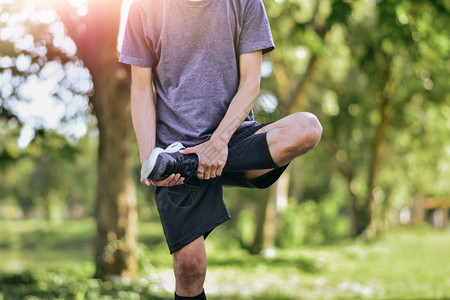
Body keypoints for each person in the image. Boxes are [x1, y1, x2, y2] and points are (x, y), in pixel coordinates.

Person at [119, 0, 322, 298]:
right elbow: (140, 89)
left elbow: (251, 81)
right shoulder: (144, 8)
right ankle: (186, 163)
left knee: (308, 128)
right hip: (176, 151)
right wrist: (151, 161)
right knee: (190, 269)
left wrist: (217, 144)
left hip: (232, 139)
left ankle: (194, 164)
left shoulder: (246, 3)